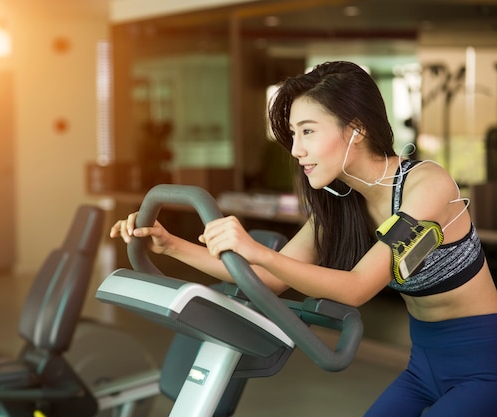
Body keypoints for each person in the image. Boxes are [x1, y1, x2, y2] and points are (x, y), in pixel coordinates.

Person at [110, 61, 497, 416]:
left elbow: (358, 287)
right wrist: (170, 244)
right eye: (294, 134)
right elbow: (268, 279)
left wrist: (259, 250)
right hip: (423, 362)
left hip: (483, 363)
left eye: (308, 131)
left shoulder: (427, 186)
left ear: (357, 129)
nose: (296, 150)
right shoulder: (345, 205)